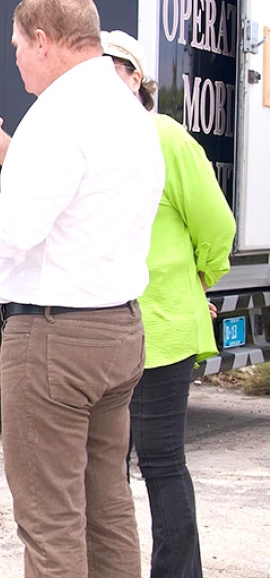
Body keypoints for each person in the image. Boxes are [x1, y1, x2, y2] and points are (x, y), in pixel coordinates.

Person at [0, 0, 164, 578]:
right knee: (108, 504)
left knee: (49, 518)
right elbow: (78, 197)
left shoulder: (57, 113)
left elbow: (12, 232)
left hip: (56, 338)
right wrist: (4, 147)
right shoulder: (126, 108)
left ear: (43, 40)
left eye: (16, 46)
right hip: (118, 329)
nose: (15, 59)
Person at [101, 29, 235, 578]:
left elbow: (216, 225)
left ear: (137, 78)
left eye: (114, 65)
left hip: (160, 330)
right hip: (100, 330)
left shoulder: (166, 136)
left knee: (159, 462)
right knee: (106, 471)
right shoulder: (84, 140)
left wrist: (200, 275)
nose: (101, 75)